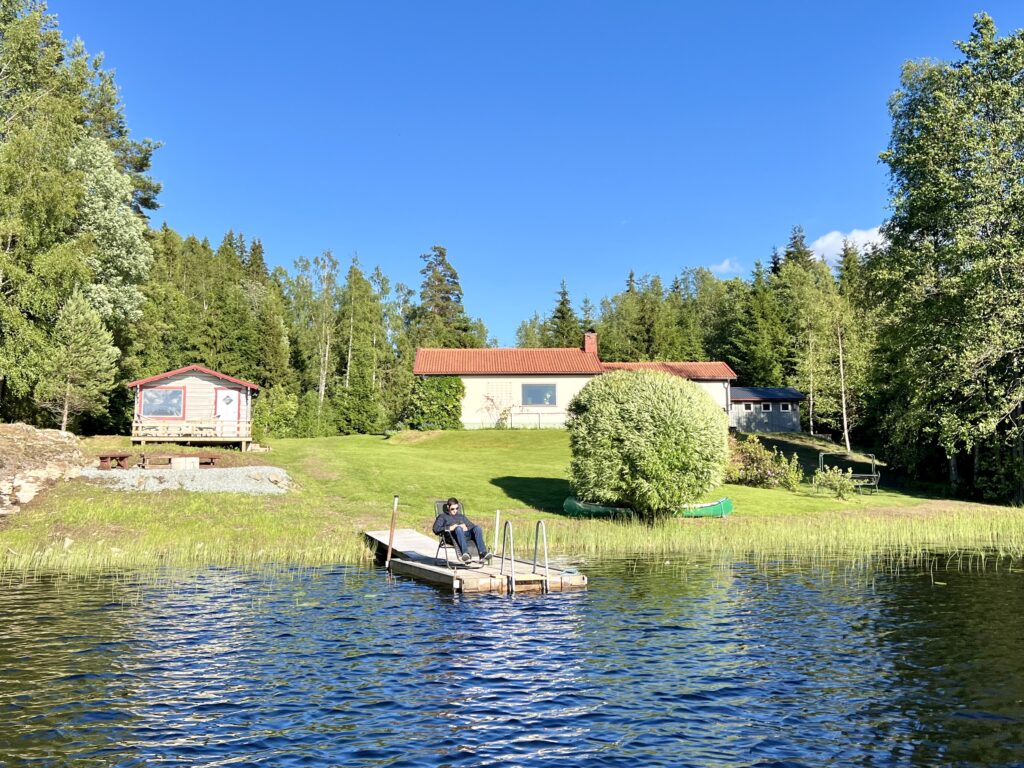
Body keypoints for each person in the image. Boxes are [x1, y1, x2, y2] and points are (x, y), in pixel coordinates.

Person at [432, 497, 492, 564]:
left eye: (457, 508)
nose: (455, 510)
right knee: (458, 529)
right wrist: (450, 527)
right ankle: (465, 554)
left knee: (477, 528)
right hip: (452, 537)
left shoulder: (461, 516)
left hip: (465, 535)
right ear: (448, 507)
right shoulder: (442, 516)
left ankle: (483, 553)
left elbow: (471, 526)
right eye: (452, 509)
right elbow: (435, 529)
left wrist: (465, 527)